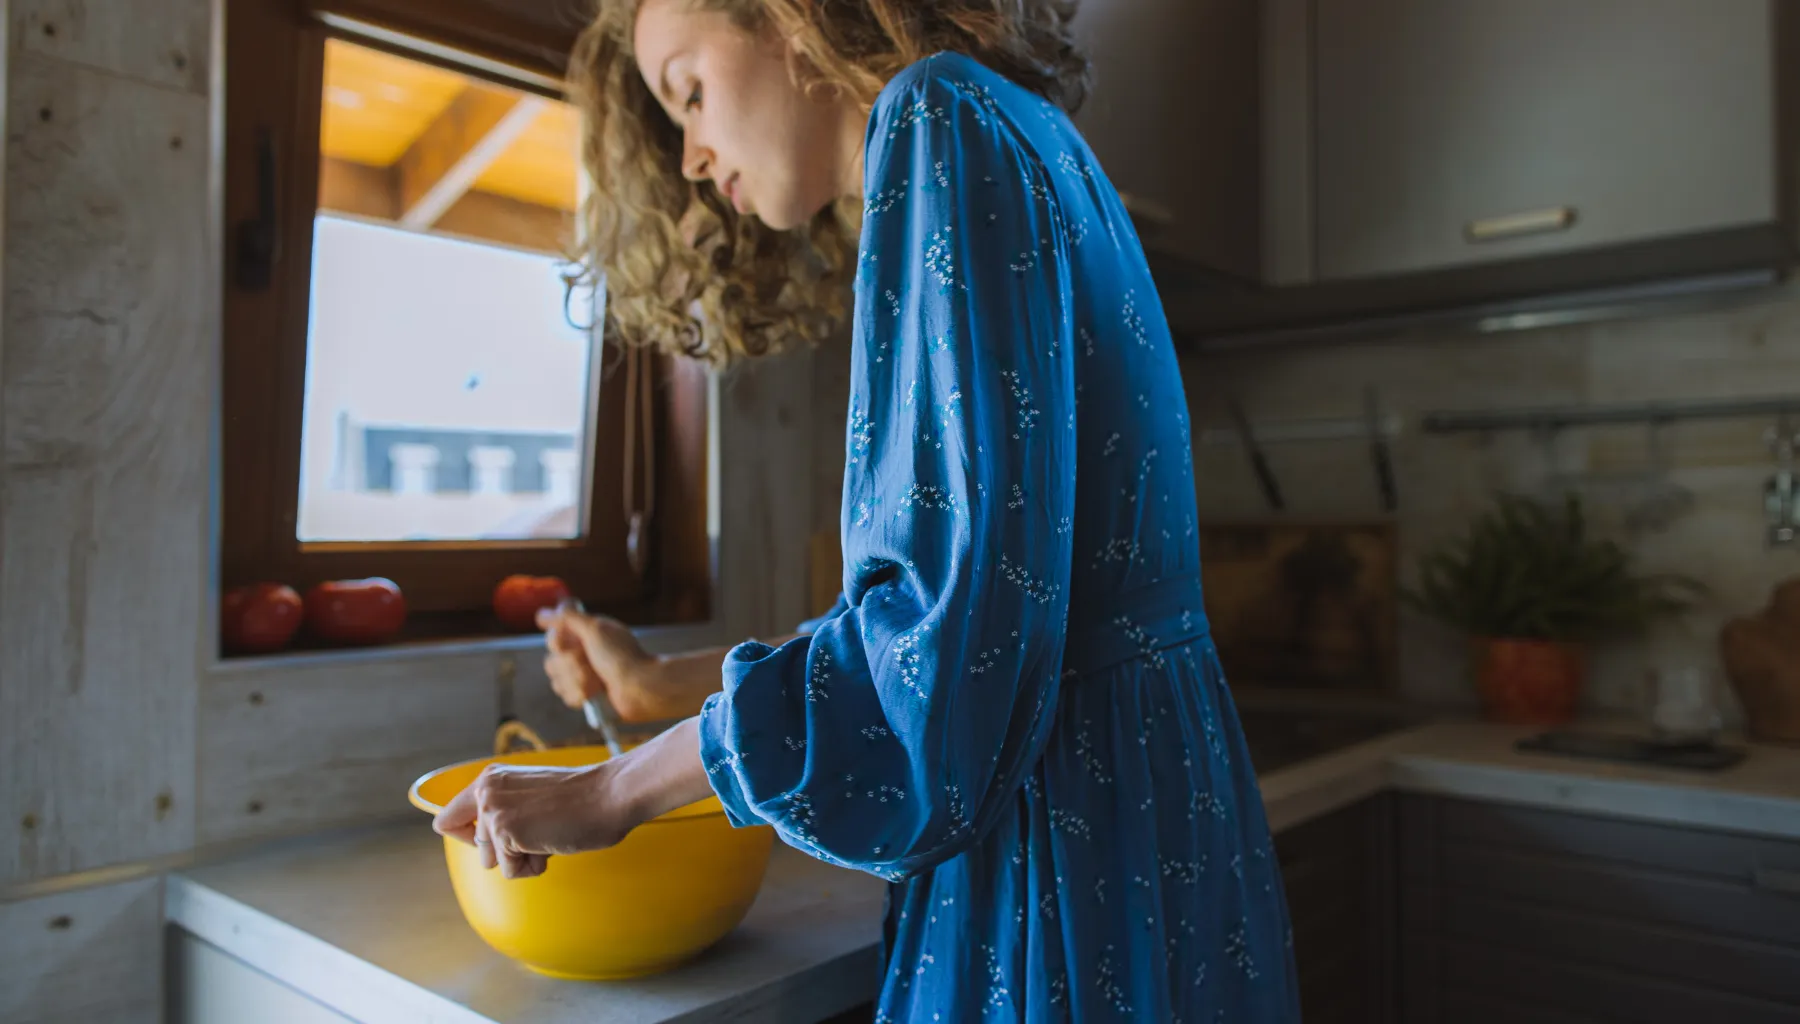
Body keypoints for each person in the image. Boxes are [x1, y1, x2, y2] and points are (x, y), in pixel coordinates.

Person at [432, 1, 1301, 1018]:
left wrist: (609, 793)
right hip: (1148, 817)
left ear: (789, 16)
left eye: (692, 93)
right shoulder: (1025, 132)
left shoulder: (938, 118)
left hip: (1064, 839)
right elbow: (981, 616)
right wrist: (661, 683)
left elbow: (941, 670)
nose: (697, 155)